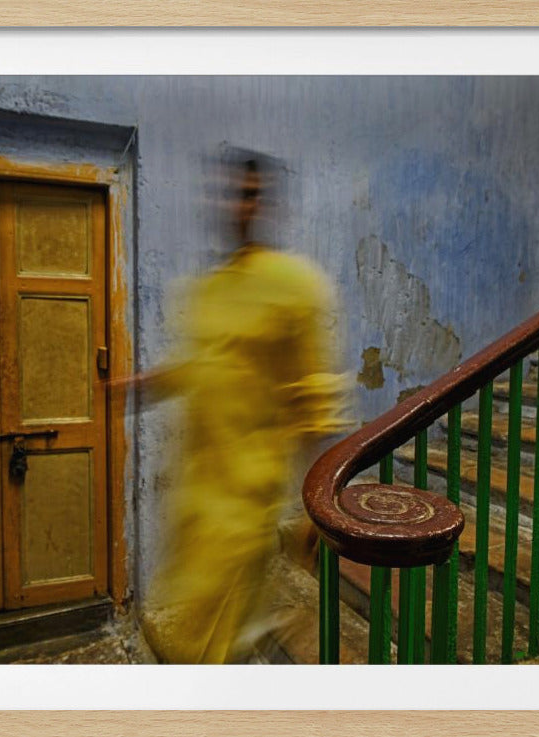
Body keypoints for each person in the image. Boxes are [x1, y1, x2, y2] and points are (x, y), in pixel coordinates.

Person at [134, 151, 349, 663]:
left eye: (248, 193)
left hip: (246, 501)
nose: (236, 203)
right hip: (195, 496)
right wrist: (139, 384)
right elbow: (201, 366)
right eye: (228, 191)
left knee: (213, 642)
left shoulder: (295, 285)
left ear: (265, 202)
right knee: (192, 630)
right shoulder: (210, 288)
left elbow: (313, 402)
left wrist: (317, 507)